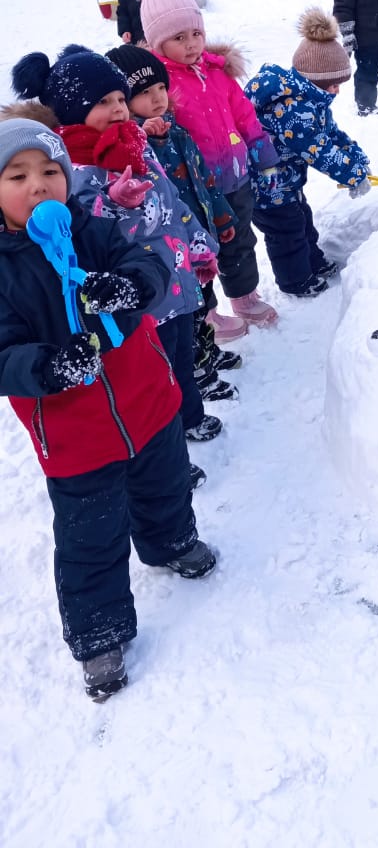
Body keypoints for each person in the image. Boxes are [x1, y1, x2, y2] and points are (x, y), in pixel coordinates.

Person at [0, 118, 216, 701]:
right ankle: (99, 631)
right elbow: (3, 354)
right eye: (18, 176)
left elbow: (148, 260)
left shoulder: (91, 230)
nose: (39, 185)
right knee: (89, 534)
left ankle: (170, 543)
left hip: (147, 401)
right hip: (75, 434)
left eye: (50, 172)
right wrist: (46, 366)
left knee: (165, 485)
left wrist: (129, 288)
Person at [9, 45, 224, 474]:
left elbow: (171, 200)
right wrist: (112, 200)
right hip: (133, 300)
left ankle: (189, 419)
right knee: (154, 376)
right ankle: (169, 448)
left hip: (172, 278)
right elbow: (81, 230)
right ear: (72, 111)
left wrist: (197, 241)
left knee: (182, 357)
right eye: (102, 103)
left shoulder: (137, 145)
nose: (118, 109)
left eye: (121, 99)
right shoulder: (70, 167)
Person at [136, 0, 279, 338]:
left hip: (235, 177)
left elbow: (243, 115)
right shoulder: (162, 85)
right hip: (194, 189)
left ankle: (244, 295)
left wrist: (261, 149)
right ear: (156, 43)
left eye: (195, 33)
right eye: (178, 37)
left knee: (241, 239)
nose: (191, 44)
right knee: (200, 251)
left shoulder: (217, 72)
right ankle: (207, 311)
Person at [105, 44, 243, 401]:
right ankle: (197, 371)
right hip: (172, 249)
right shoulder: (135, 147)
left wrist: (222, 215)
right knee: (189, 312)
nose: (157, 99)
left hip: (198, 238)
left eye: (161, 88)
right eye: (144, 93)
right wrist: (146, 138)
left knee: (205, 301)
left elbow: (202, 178)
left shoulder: (176, 129)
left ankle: (207, 353)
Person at [245, 9, 371, 296]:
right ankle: (296, 281)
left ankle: (312, 262)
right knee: (287, 234)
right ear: (315, 81)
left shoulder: (310, 101)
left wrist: (357, 158)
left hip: (286, 182)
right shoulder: (293, 110)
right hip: (266, 187)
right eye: (334, 85)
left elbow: (331, 134)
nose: (337, 92)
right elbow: (320, 150)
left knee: (302, 221)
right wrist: (353, 175)